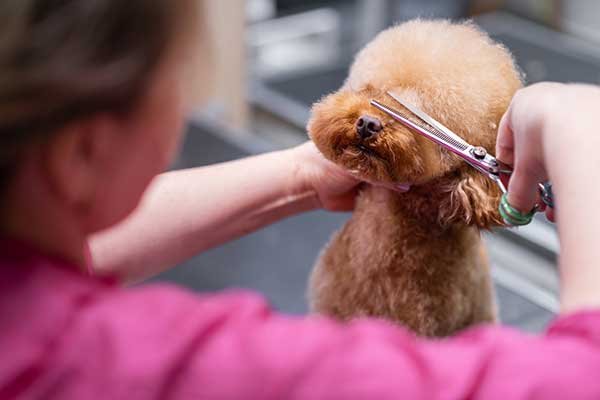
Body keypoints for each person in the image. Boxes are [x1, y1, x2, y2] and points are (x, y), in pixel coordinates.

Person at [1, 1, 599, 398]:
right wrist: (585, 152)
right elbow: (575, 380)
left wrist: (302, 175)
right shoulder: (144, 364)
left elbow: (83, 252)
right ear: (83, 152)